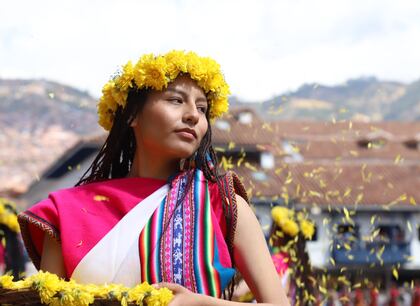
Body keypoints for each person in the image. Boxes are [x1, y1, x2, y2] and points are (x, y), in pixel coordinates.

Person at [17, 50, 290, 306]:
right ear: (133, 114)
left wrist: (200, 303)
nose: (193, 115)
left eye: (203, 108)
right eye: (175, 99)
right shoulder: (65, 212)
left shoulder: (222, 204)